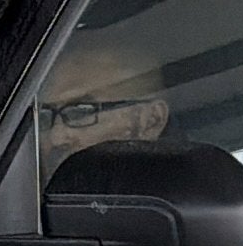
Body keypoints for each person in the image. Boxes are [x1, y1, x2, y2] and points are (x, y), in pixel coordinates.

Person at [36, 34, 170, 179]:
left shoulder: (188, 193)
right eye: (44, 116)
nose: (56, 139)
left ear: (151, 121)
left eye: (81, 112)